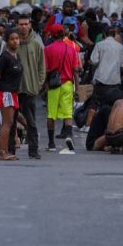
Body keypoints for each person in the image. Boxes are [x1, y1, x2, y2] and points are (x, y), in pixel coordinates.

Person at [12, 14, 46, 159]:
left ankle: (33, 149)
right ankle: (10, 148)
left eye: (26, 24)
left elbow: (41, 67)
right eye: (21, 24)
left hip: (30, 89)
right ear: (17, 26)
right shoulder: (11, 43)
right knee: (11, 120)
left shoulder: (36, 44)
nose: (23, 27)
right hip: (13, 89)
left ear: (30, 25)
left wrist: (37, 85)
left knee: (31, 121)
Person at [44, 24, 80, 152]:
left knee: (51, 114)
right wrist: (78, 88)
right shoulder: (71, 49)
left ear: (52, 35)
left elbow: (46, 70)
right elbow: (76, 69)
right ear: (63, 35)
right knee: (67, 113)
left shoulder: (47, 49)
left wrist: (43, 86)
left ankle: (51, 143)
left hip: (53, 85)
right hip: (68, 84)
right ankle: (69, 136)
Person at [85, 25, 123, 131]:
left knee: (94, 103)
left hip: (101, 78)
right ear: (114, 35)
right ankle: (113, 127)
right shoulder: (120, 47)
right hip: (114, 80)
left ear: (104, 34)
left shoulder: (100, 45)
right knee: (114, 105)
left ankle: (88, 125)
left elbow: (94, 61)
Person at [0, 29, 23, 161]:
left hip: (12, 92)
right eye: (12, 39)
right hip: (5, 91)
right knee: (7, 122)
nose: (15, 41)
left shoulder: (16, 55)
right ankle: (1, 152)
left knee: (10, 122)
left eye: (17, 38)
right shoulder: (5, 57)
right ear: (7, 41)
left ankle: (6, 150)